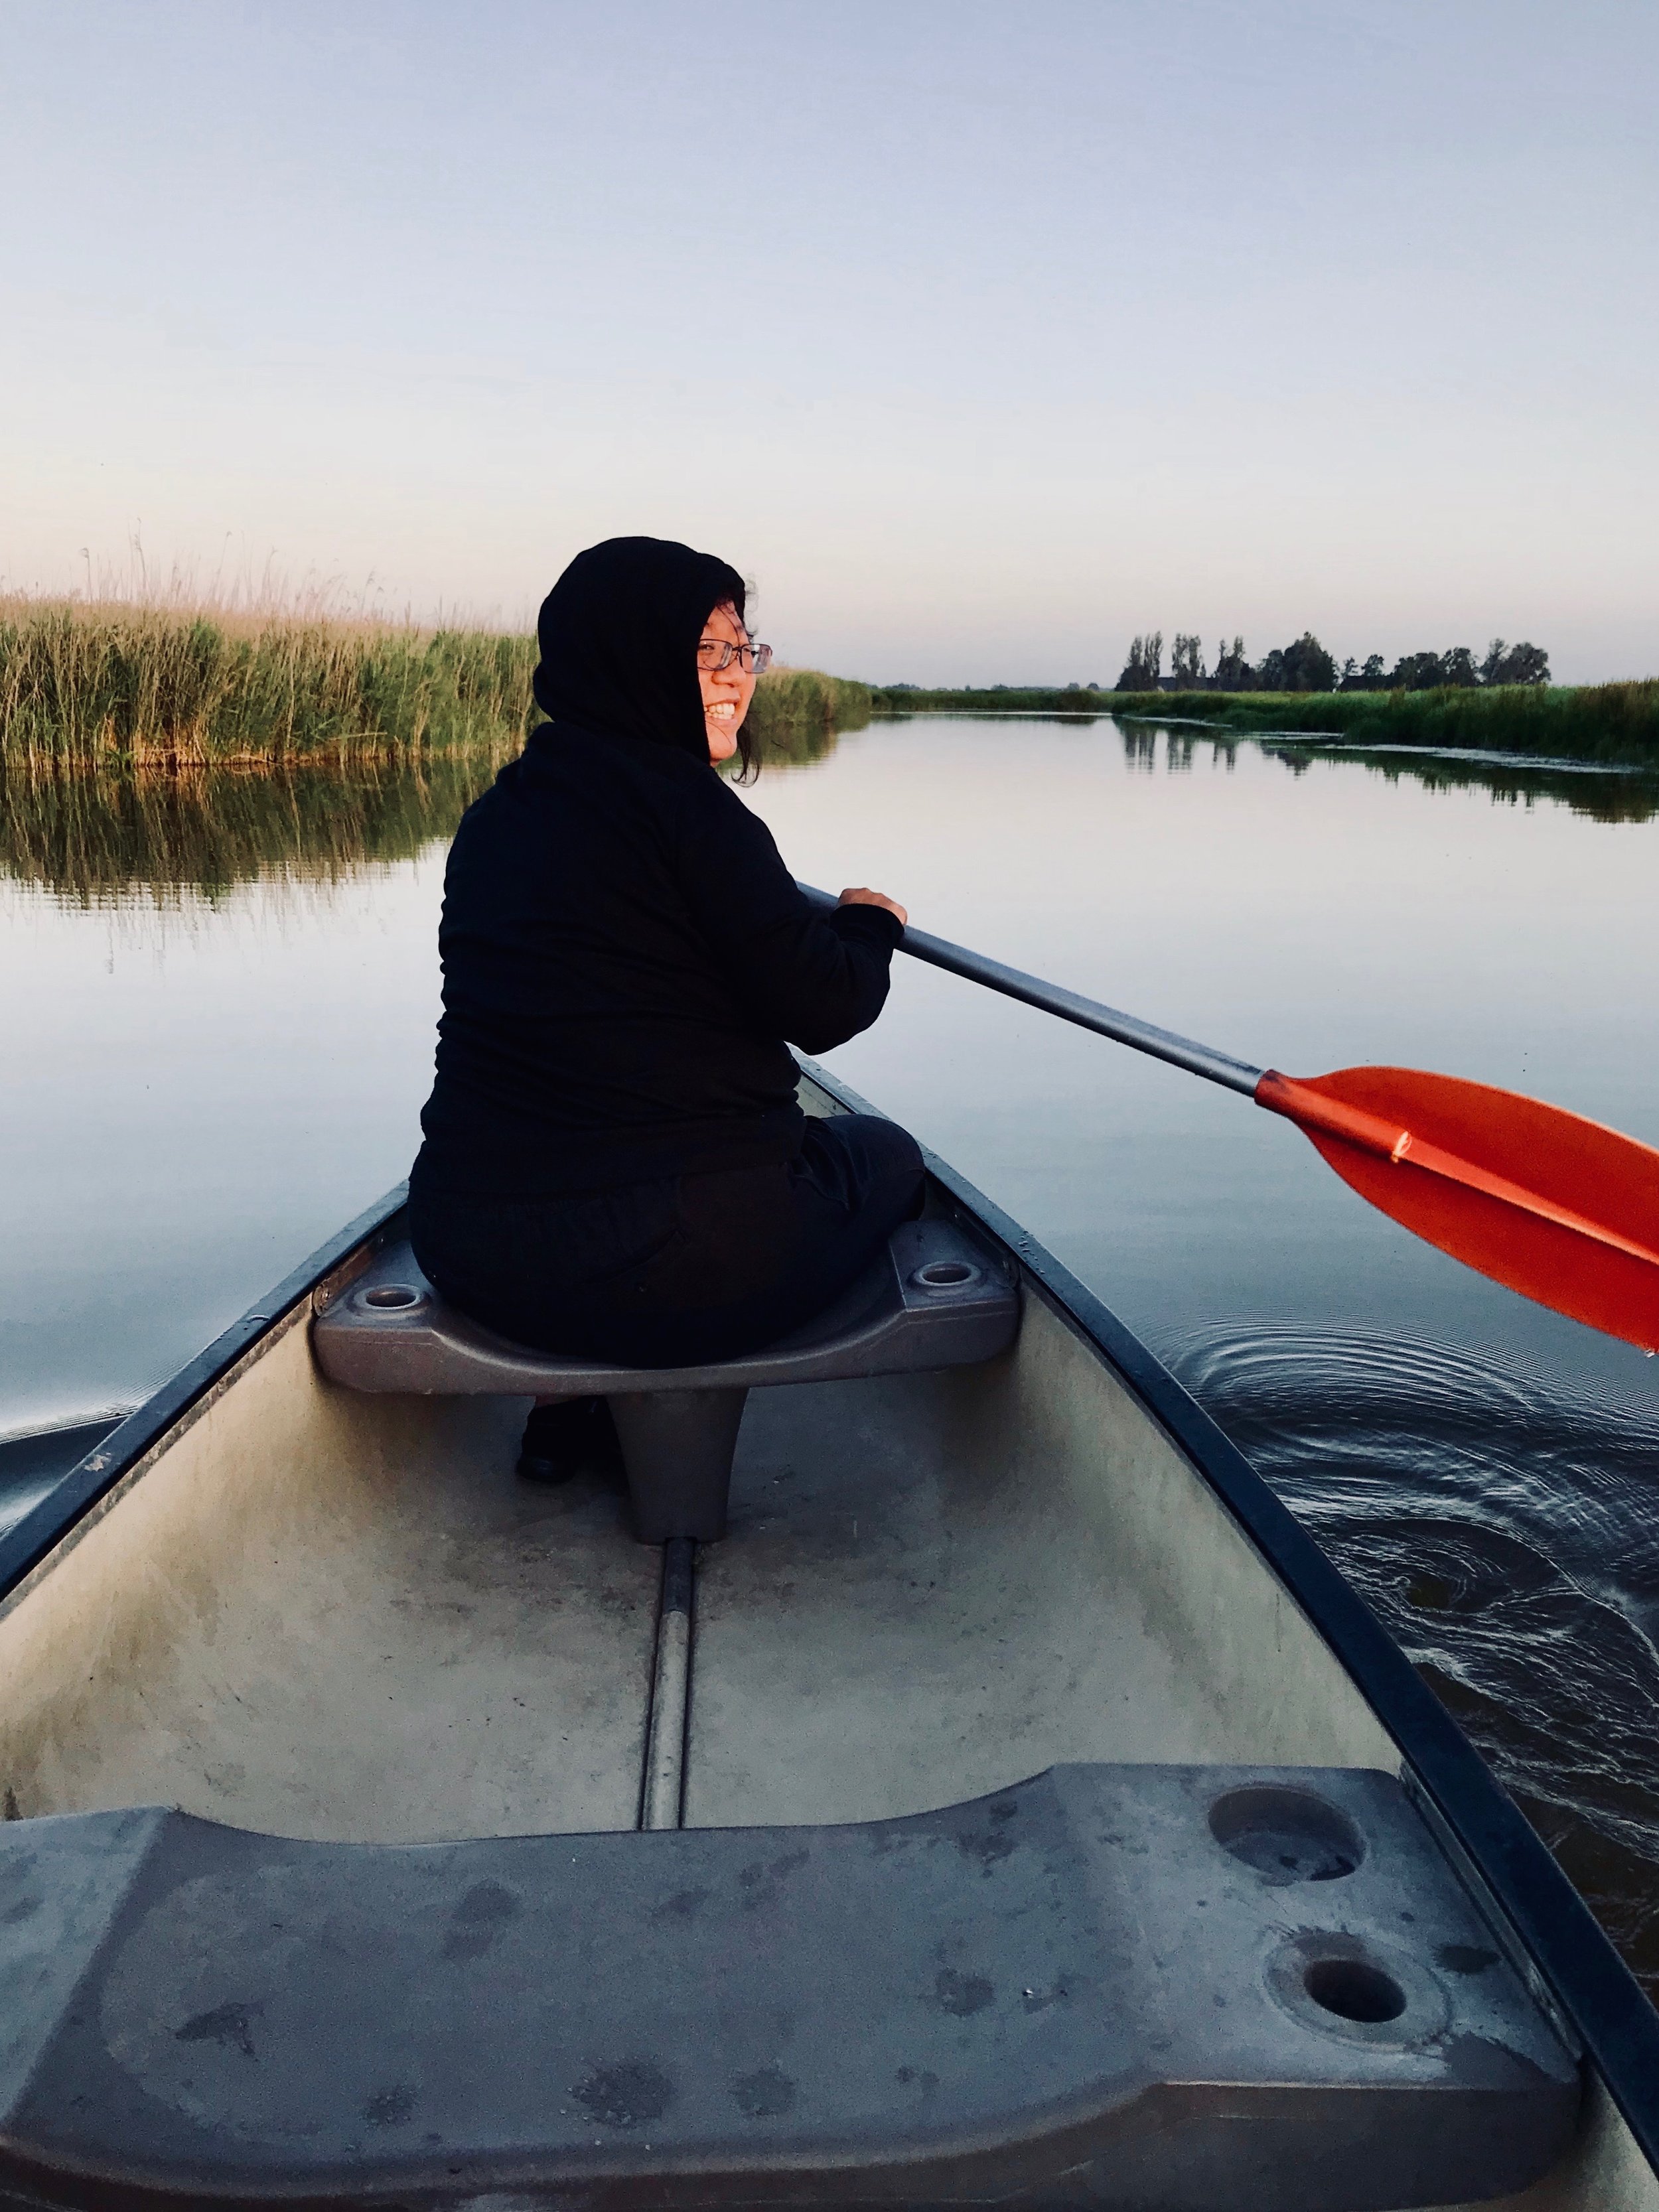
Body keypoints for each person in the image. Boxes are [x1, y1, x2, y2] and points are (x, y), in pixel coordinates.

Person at [407, 535, 924, 1483]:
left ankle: (566, 1404)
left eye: (745, 650)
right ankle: (616, 1388)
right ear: (634, 655)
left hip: (473, 1245)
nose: (738, 678)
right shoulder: (695, 814)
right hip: (681, 1260)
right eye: (710, 652)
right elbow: (827, 1003)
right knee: (888, 1157)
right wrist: (869, 930)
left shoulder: (492, 822)